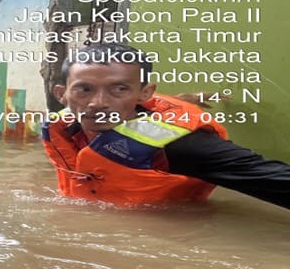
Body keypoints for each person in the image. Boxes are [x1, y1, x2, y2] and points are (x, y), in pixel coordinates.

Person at [43, 42, 290, 209]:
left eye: (119, 89)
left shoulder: (180, 146)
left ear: (144, 94)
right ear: (62, 94)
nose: (98, 103)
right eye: (84, 89)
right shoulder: (65, 126)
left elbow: (274, 178)